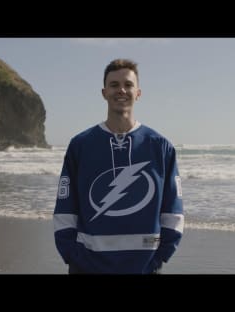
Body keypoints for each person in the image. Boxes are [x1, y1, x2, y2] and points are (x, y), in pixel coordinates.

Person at [53, 58, 184, 274]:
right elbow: (65, 207)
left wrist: (158, 259)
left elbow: (173, 211)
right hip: (87, 267)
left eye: (128, 85)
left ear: (138, 93)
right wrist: (72, 256)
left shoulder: (161, 147)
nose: (121, 90)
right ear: (104, 92)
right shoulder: (81, 145)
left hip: (144, 267)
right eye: (114, 85)